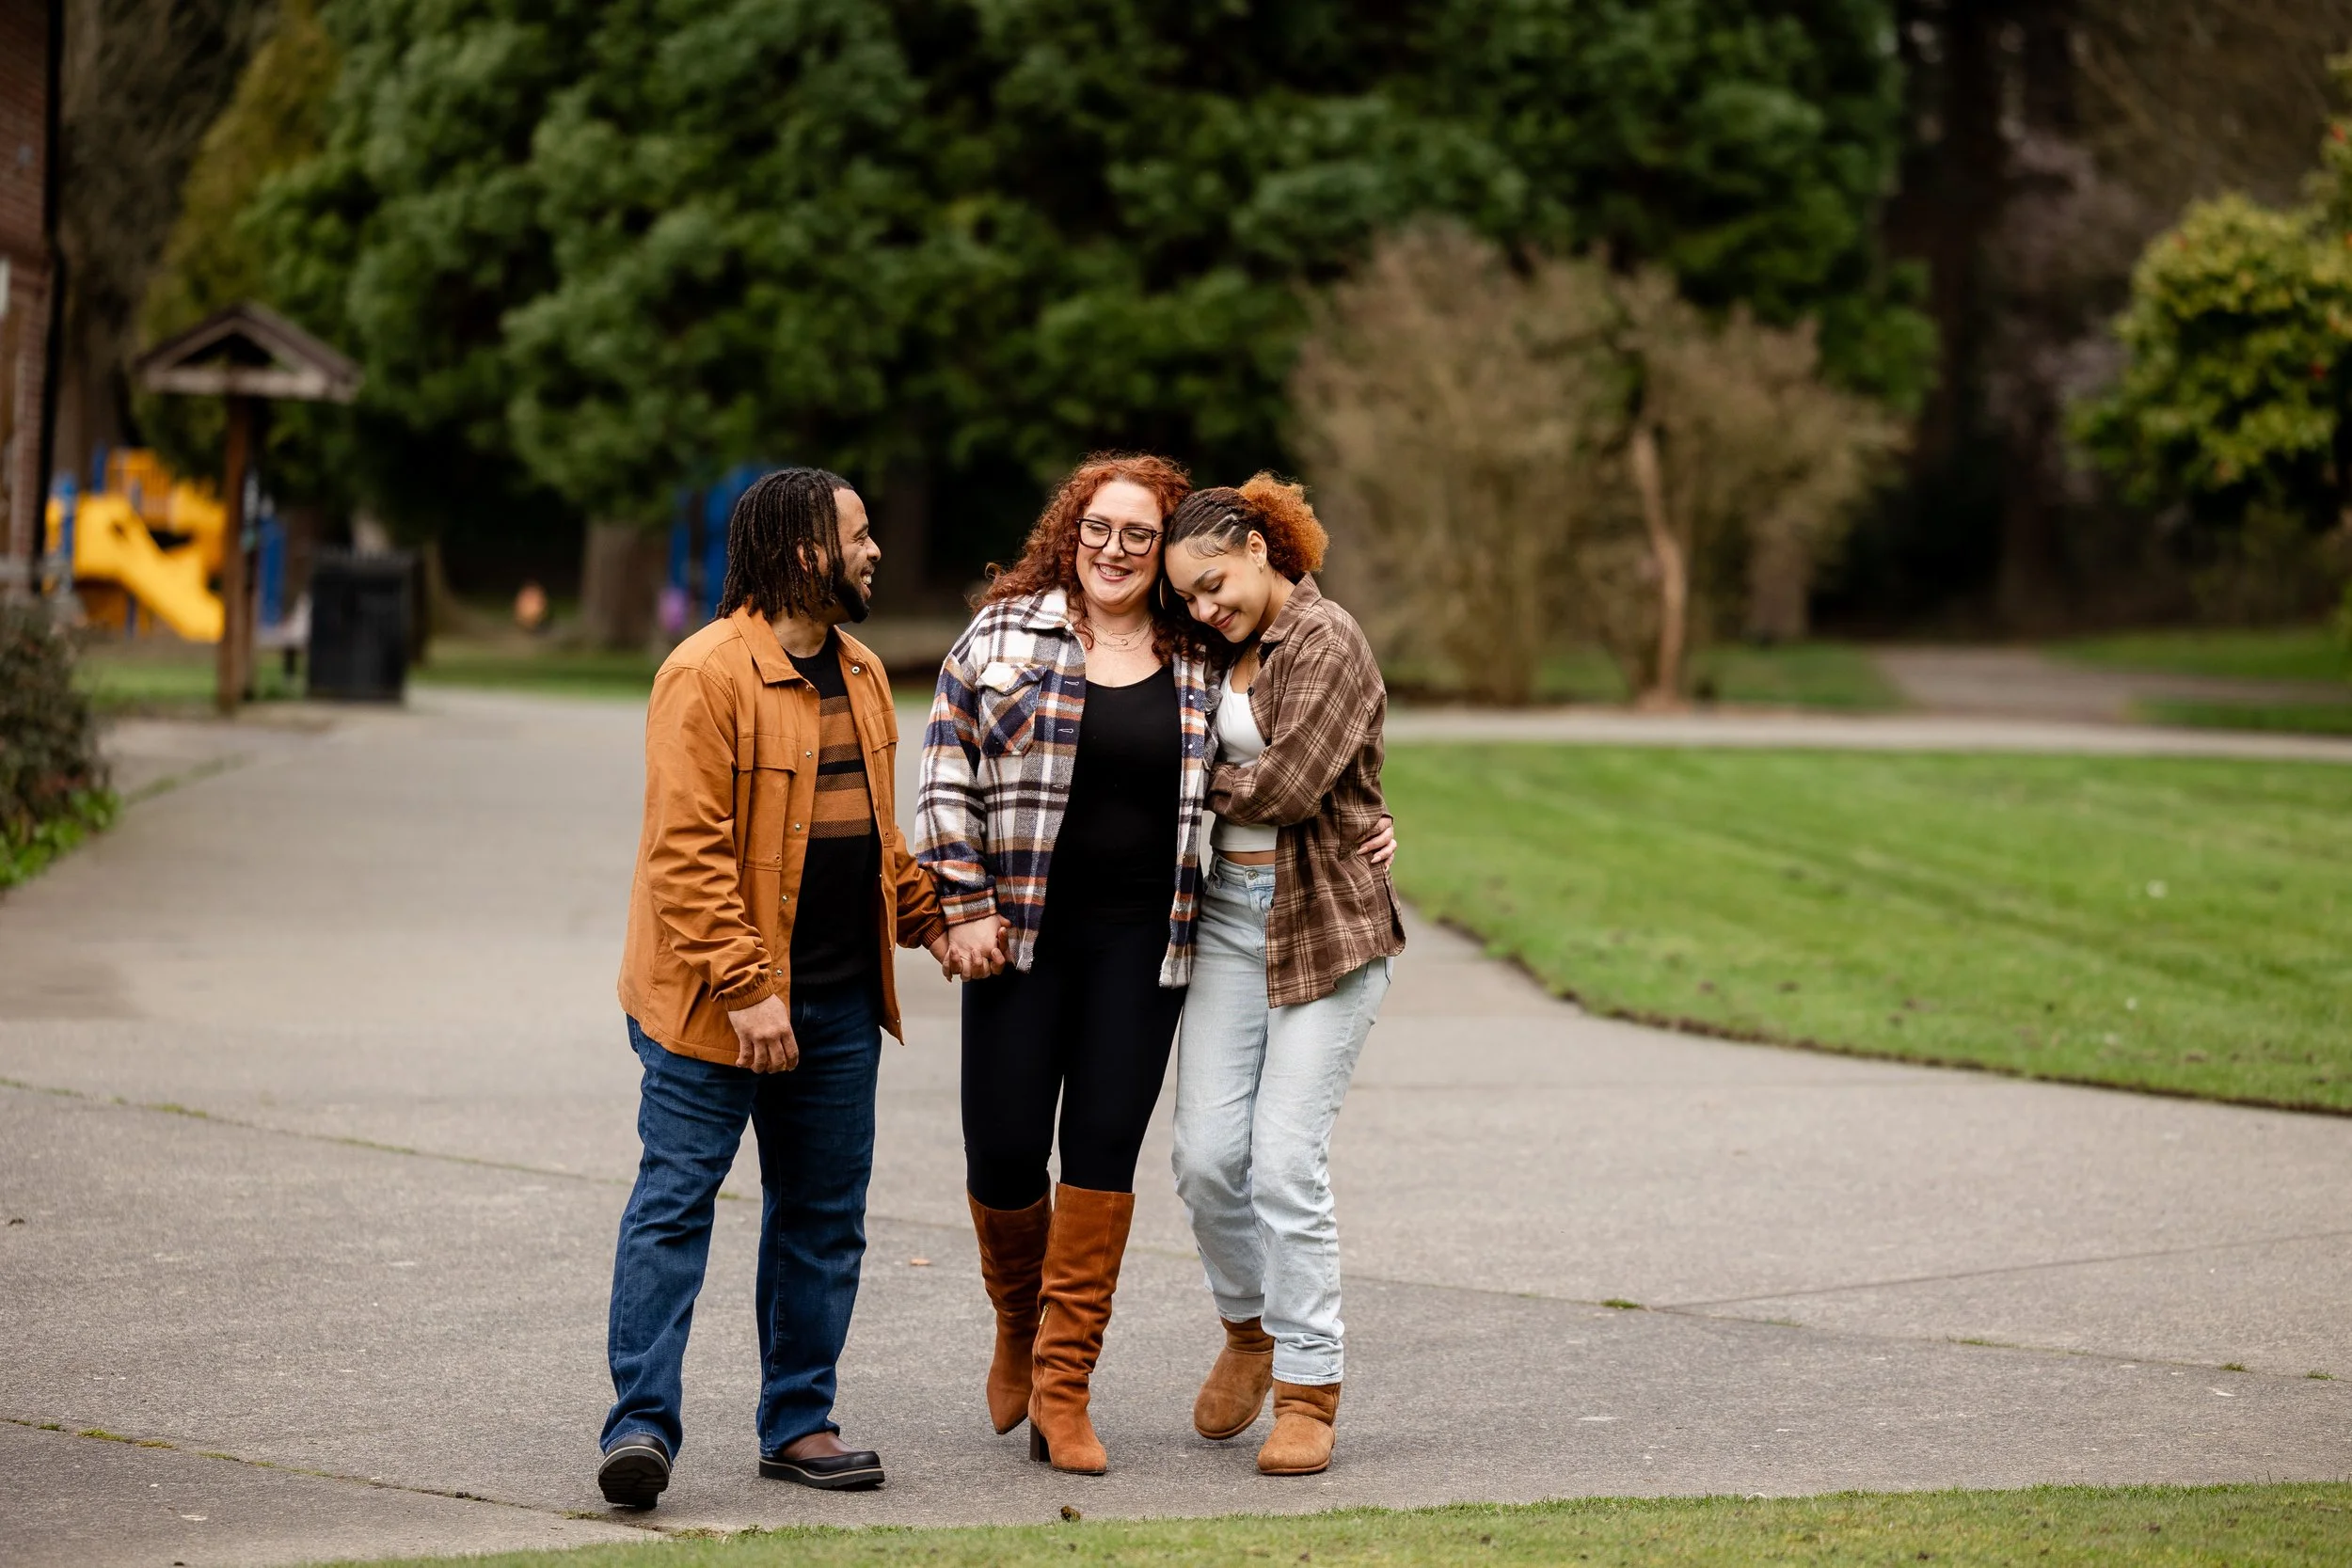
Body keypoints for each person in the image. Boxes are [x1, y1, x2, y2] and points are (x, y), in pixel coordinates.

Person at [915, 453, 1394, 1477]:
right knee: (1014, 1151)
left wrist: (1358, 805)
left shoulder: (1196, 650)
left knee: (1140, 1156)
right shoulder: (1007, 632)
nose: (1118, 551)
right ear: (1069, 529)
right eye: (1101, 528)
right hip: (1025, 930)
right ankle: (1021, 1321)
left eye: (1143, 537)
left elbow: (1300, 763)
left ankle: (1067, 1383)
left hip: (1155, 941)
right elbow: (944, 761)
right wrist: (956, 901)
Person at [598, 467, 959, 1508]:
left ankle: (798, 1422)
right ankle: (640, 1429)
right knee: (675, 1204)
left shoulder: (859, 669)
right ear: (805, 552)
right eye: (856, 534)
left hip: (840, 1000)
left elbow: (874, 835)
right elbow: (686, 851)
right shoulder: (705, 674)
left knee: (823, 1214)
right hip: (716, 1001)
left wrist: (933, 921)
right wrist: (749, 985)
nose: (874, 549)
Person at [1160, 474, 1405, 1479]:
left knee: (1282, 1160)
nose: (1205, 609)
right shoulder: (1210, 650)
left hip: (1326, 924)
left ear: (1260, 547)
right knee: (1206, 1157)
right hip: (1225, 920)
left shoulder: (1327, 638)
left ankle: (1309, 1385)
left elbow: (1295, 784)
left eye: (1215, 584)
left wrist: (1182, 787)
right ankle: (1249, 1327)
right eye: (1189, 600)